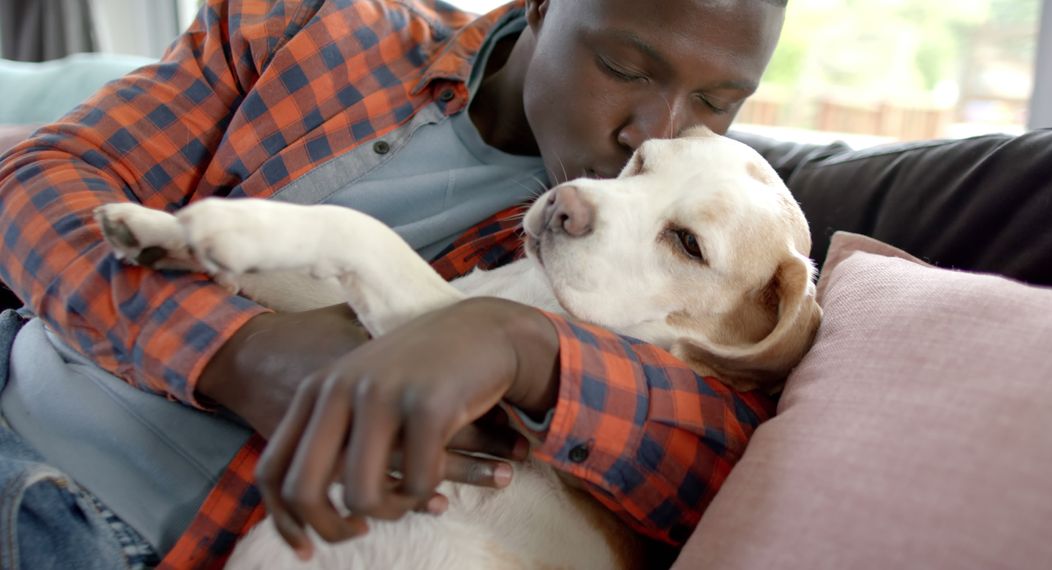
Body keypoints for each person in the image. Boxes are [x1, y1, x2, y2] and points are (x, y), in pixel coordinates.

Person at [0, 0, 786, 567]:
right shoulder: (301, 24)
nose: (653, 131)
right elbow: (37, 180)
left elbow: (728, 446)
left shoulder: (677, 247)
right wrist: (234, 353)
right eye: (622, 66)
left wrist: (518, 344)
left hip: (94, 522)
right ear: (543, 8)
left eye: (717, 103)